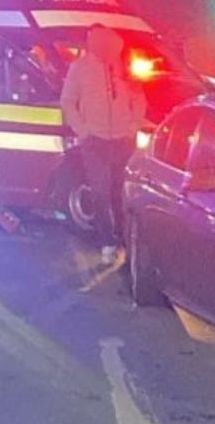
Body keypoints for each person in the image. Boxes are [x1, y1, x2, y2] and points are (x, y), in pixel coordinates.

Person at [61, 24, 146, 264]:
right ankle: (107, 241)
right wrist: (84, 131)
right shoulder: (80, 68)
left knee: (122, 193)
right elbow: (68, 101)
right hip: (95, 142)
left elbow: (139, 98)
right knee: (100, 192)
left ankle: (125, 239)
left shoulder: (124, 66)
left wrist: (132, 127)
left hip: (123, 141)